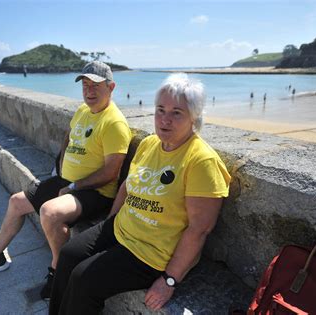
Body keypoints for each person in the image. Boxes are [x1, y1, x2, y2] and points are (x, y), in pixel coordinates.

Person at [49, 73, 231, 314]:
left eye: (177, 113)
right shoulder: (149, 144)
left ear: (194, 117)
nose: (165, 120)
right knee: (68, 255)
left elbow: (200, 229)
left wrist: (170, 280)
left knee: (84, 279)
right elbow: (127, 185)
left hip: (152, 251)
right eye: (160, 110)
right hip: (122, 227)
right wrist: (111, 221)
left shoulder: (201, 161)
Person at [0, 61, 132, 300]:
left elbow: (111, 172)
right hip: (66, 180)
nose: (89, 91)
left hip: (95, 192)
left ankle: (57, 274)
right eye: (84, 85)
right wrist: (59, 166)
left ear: (111, 87)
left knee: (50, 213)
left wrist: (74, 186)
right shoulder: (83, 111)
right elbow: (68, 137)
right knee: (16, 201)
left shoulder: (114, 123)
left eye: (95, 85)